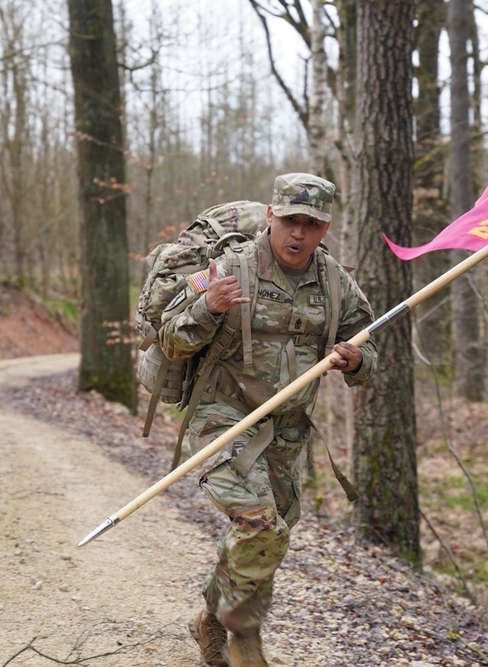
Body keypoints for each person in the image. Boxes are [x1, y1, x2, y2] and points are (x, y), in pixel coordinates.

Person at [160, 173, 378, 667]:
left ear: (325, 228)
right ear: (270, 217)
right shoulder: (225, 268)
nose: (298, 234)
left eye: (312, 224)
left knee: (267, 537)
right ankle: (245, 639)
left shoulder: (335, 283)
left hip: (287, 430)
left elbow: (370, 350)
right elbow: (171, 338)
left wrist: (357, 361)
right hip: (224, 418)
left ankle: (211, 622)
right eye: (290, 221)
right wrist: (207, 309)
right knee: (260, 524)